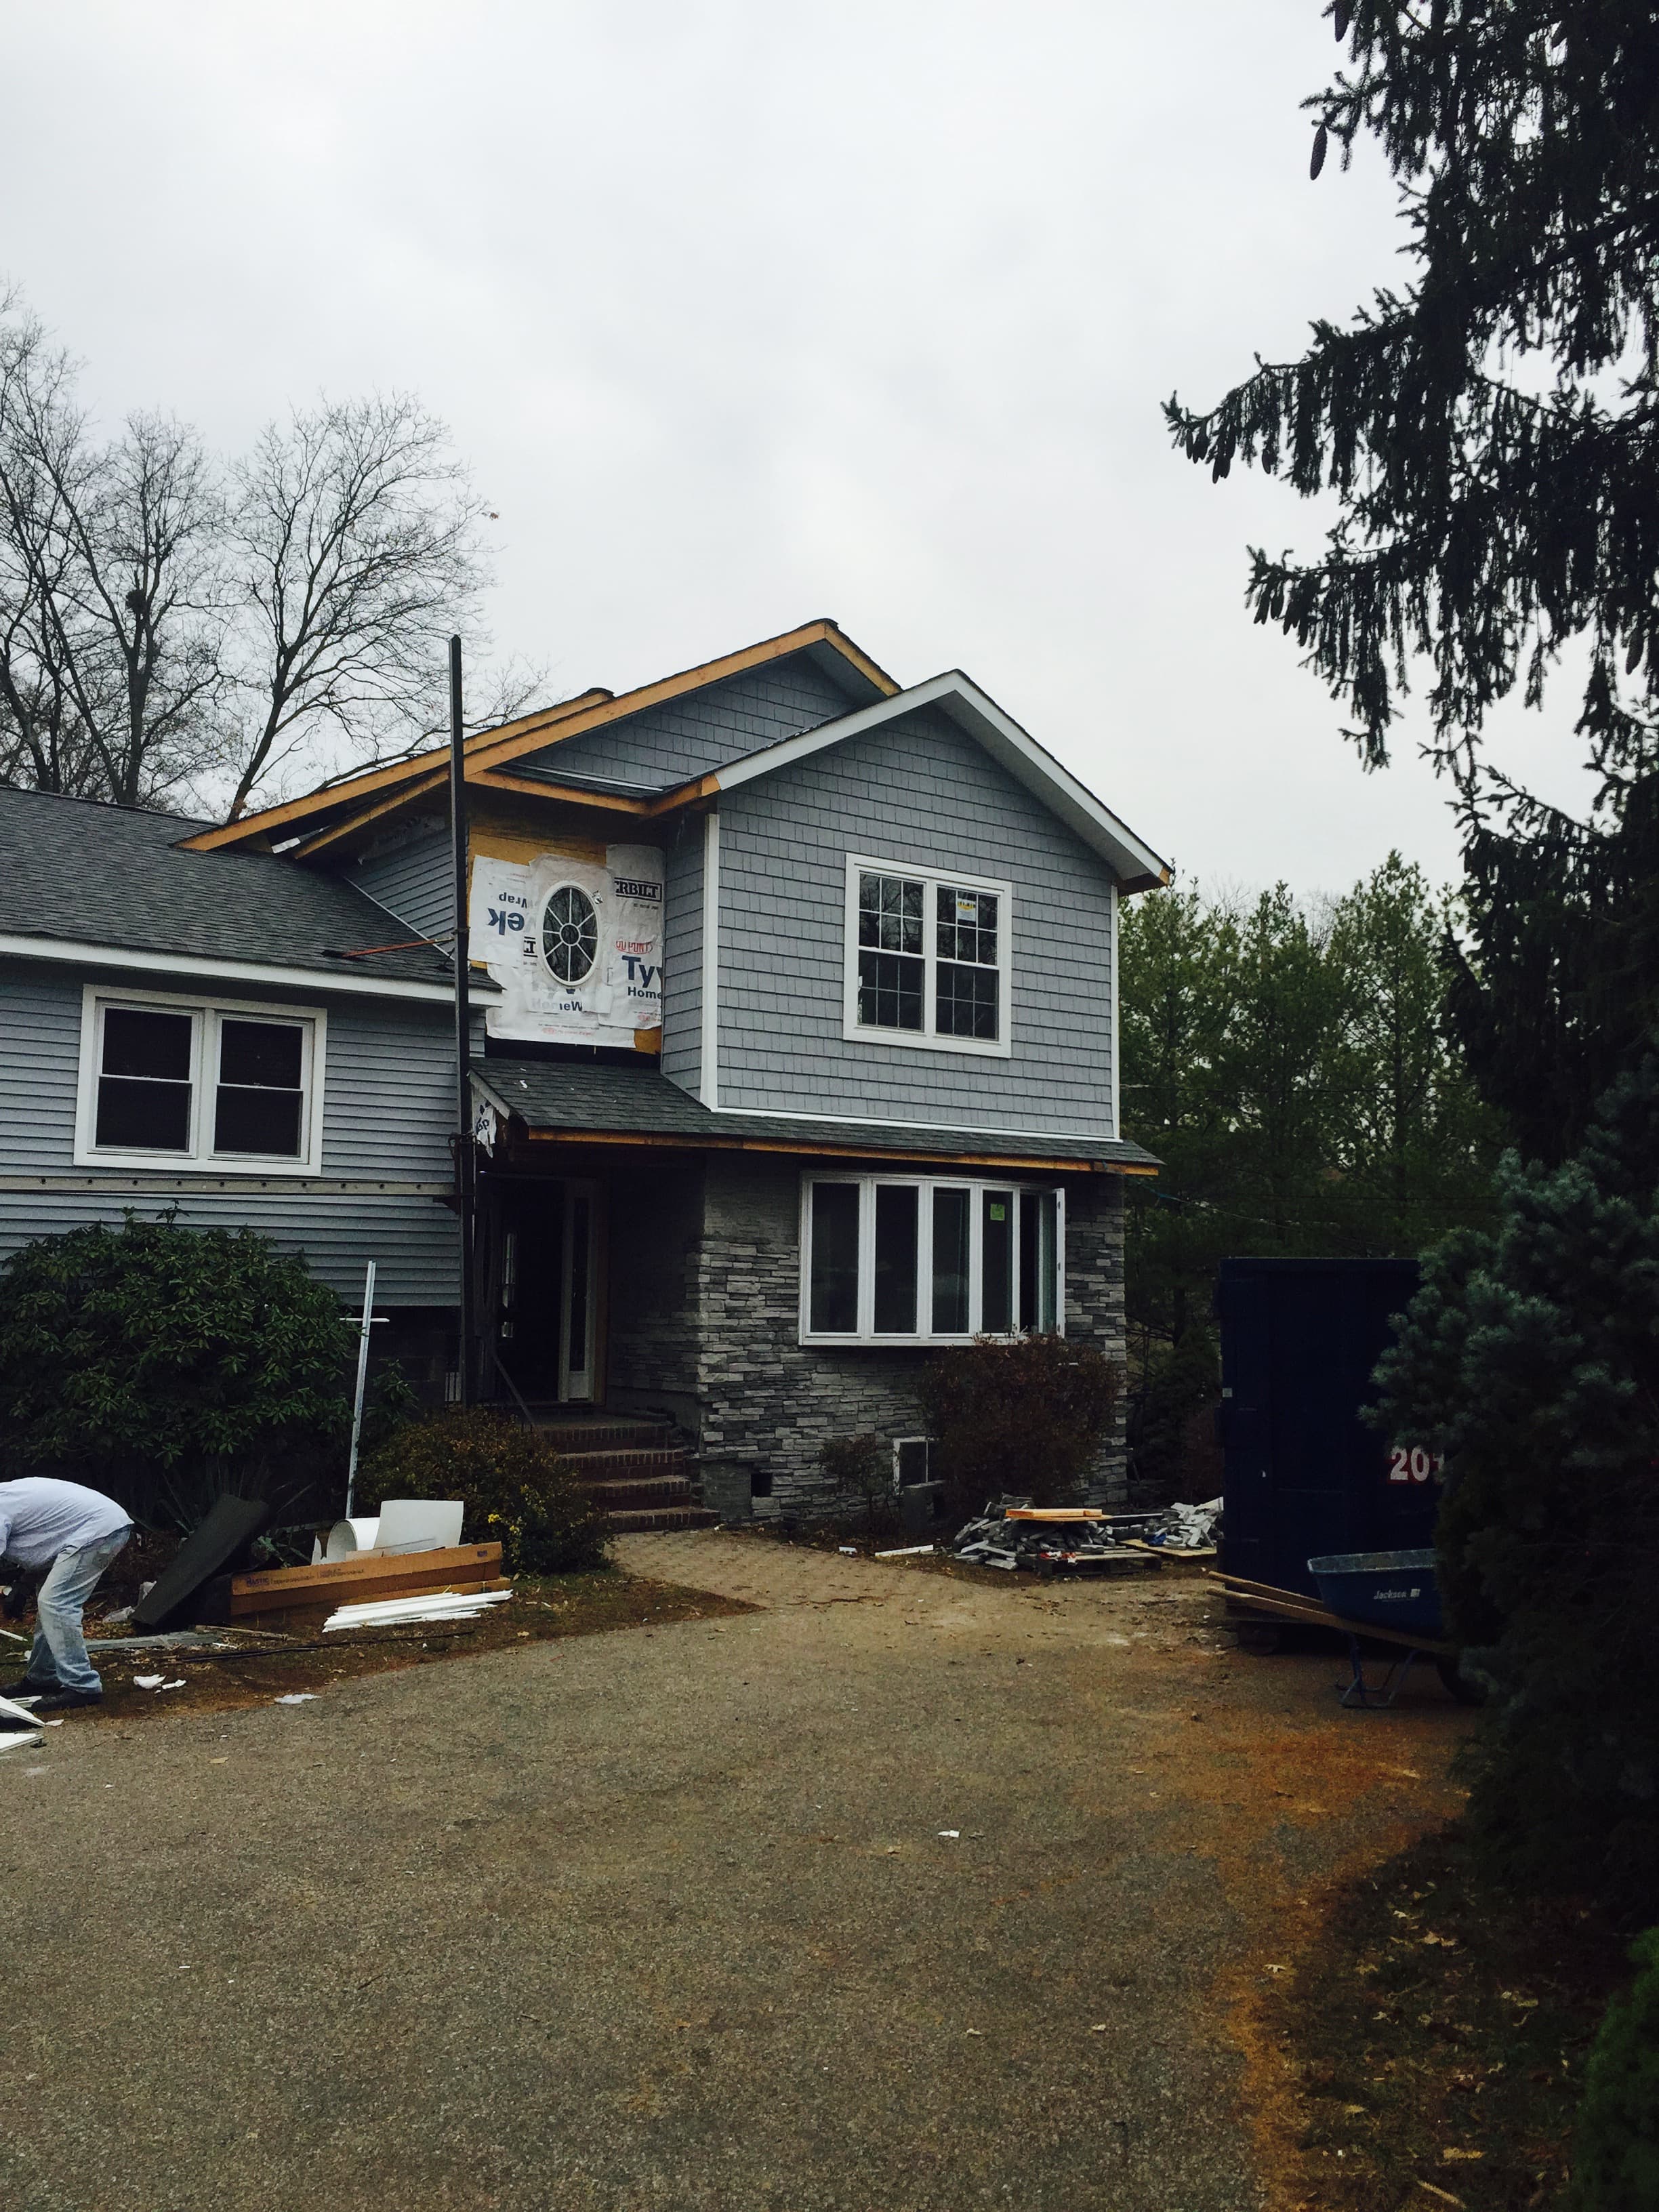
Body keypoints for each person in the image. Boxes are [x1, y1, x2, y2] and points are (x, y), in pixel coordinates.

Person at [0, 1477, 134, 1713]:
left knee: (56, 1603)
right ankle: (43, 1676)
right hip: (84, 1531)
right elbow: (42, 1538)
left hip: (97, 1530)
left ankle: (83, 1685)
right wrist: (22, 1583)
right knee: (50, 1605)